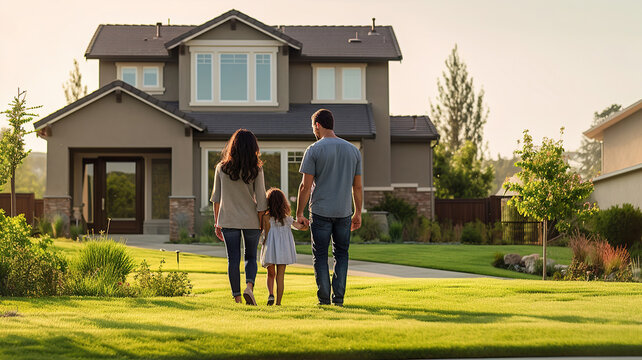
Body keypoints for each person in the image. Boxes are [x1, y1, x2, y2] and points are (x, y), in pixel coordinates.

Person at [296, 109, 363, 306]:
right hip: (344, 212)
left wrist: (299, 213)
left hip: (320, 212)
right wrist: (358, 212)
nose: (313, 131)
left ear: (318, 125)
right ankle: (339, 299)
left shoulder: (314, 150)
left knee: (320, 255)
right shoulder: (353, 151)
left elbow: (305, 186)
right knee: (341, 255)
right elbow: (357, 186)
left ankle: (324, 299)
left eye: (313, 127)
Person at [211, 129, 267, 306]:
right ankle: (249, 287)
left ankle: (237, 298)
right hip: (251, 219)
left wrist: (217, 223)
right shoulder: (256, 169)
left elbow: (216, 199)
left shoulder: (221, 168)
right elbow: (262, 200)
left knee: (232, 259)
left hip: (228, 219)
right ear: (253, 147)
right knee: (250, 256)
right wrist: (260, 223)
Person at [260, 188, 308, 306]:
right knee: (280, 277)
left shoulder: (266, 218)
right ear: (283, 202)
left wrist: (263, 244)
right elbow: (301, 227)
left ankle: (271, 293)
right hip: (283, 251)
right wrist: (306, 224)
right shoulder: (287, 219)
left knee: (270, 274)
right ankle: (278, 303)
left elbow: (265, 233)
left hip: (270, 249)